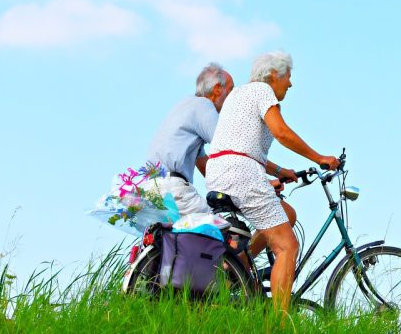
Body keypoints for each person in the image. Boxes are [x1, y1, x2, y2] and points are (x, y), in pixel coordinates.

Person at [205, 51, 339, 313]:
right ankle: (277, 328)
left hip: (221, 170)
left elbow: (241, 145)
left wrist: (279, 170)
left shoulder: (239, 95)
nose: (290, 83)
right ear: (274, 75)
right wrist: (319, 157)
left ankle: (238, 268)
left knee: (286, 214)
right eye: (288, 77)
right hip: (240, 173)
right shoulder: (262, 91)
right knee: (287, 245)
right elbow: (281, 132)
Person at [143, 63, 234, 215]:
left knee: (177, 237)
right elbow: (230, 147)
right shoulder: (204, 105)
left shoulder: (185, 105)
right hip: (173, 189)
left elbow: (205, 165)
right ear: (218, 89)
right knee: (222, 231)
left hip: (151, 189)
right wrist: (260, 183)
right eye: (231, 90)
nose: (233, 97)